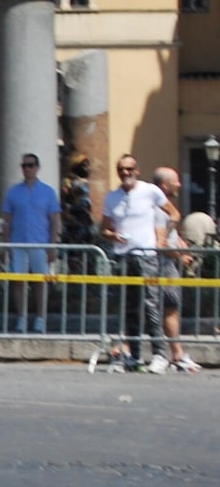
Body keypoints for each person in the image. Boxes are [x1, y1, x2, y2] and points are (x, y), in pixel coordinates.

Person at [101, 153, 178, 371]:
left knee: (151, 305)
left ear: (137, 170)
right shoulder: (112, 197)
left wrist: (163, 238)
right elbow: (104, 228)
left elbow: (174, 214)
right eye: (121, 170)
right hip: (124, 256)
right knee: (129, 307)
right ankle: (134, 355)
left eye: (129, 169)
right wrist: (111, 235)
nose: (126, 173)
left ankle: (160, 355)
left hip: (147, 256)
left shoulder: (149, 191)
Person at [0, 152, 57, 335]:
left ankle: (40, 318)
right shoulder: (14, 192)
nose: (27, 169)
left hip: (40, 243)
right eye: (24, 166)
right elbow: (7, 220)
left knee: (40, 282)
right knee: (19, 282)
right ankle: (21, 318)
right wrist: (6, 245)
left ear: (37, 168)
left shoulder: (48, 192)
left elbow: (55, 220)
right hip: (18, 243)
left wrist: (53, 245)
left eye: (30, 165)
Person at [150, 166, 203, 373]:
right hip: (162, 265)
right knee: (169, 309)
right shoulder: (158, 209)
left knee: (163, 309)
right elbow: (160, 243)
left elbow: (171, 236)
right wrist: (181, 255)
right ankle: (176, 354)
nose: (179, 185)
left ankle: (175, 353)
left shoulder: (165, 207)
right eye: (175, 181)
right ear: (164, 185)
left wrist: (181, 245)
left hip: (168, 263)